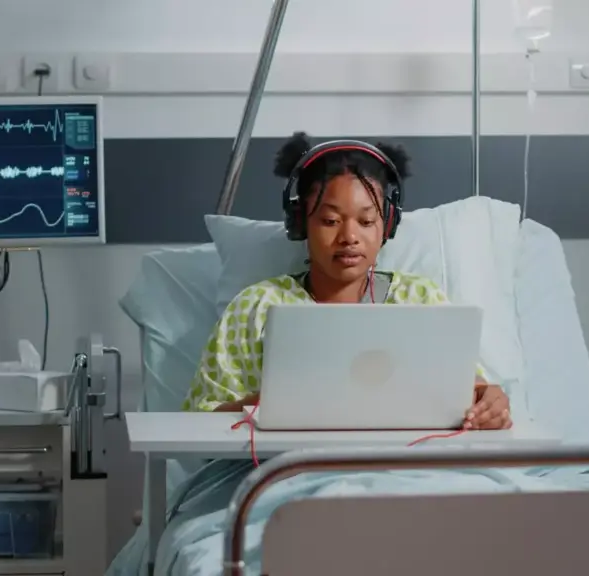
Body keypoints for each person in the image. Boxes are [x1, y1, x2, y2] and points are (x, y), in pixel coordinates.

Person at [183, 132, 512, 430]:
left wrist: (490, 401)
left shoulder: (420, 300)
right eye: (330, 221)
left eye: (366, 221)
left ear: (388, 225)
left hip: (406, 464)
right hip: (287, 467)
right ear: (301, 223)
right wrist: (263, 405)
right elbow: (200, 420)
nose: (349, 237)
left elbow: (470, 393)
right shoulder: (257, 307)